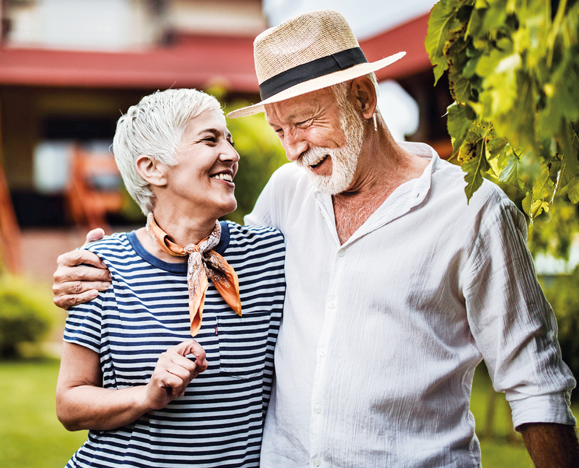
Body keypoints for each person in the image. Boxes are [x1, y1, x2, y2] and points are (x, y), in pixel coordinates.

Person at [52, 10, 579, 467]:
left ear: (364, 97)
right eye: (279, 131)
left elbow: (536, 385)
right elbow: (202, 249)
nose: (292, 149)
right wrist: (88, 267)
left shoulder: (473, 211)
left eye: (303, 122)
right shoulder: (288, 193)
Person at [55, 88, 286, 468]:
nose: (231, 154)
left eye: (229, 140)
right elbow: (70, 404)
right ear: (152, 168)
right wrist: (146, 396)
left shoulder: (270, 255)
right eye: (210, 140)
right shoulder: (100, 266)